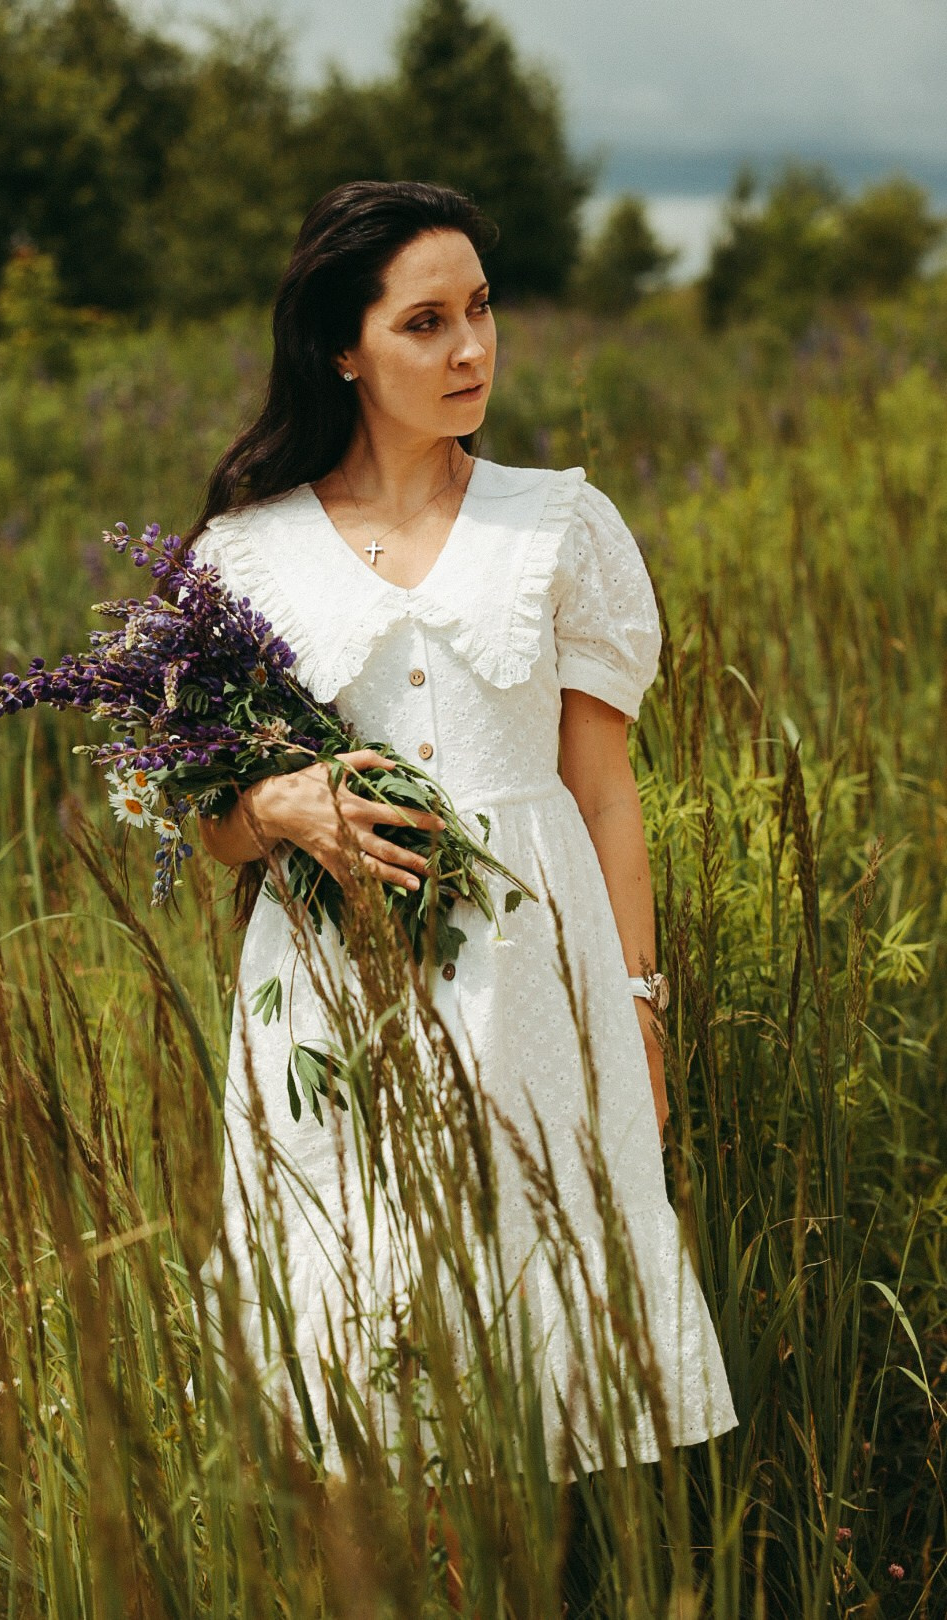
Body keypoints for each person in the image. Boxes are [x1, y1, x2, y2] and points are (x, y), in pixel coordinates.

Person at [190, 181, 738, 1494]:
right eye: (427, 322)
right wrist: (279, 807)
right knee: (362, 1360)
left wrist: (642, 1006)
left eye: (482, 311)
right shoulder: (244, 555)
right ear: (343, 345)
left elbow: (605, 793)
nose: (472, 349)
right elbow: (205, 820)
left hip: (535, 995)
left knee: (538, 1351)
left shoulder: (556, 525)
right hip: (335, 1004)